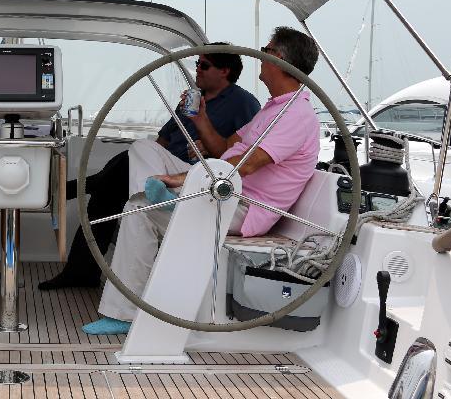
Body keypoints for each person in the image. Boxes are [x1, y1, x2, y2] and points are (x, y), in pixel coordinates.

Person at [84, 27, 321, 334]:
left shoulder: (296, 114)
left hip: (242, 206)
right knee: (142, 150)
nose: (260, 54)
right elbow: (226, 151)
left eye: (266, 48)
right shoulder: (274, 108)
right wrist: (200, 120)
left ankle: (124, 313)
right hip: (223, 189)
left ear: (278, 59)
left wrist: (178, 179)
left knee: (137, 211)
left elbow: (245, 166)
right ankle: (159, 199)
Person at [39, 43, 260, 290]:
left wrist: (206, 142)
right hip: (161, 168)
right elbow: (163, 139)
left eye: (204, 65)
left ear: (225, 71)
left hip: (192, 177)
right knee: (118, 172)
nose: (197, 69)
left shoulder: (244, 104)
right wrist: (151, 160)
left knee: (108, 186)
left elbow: (238, 158)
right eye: (197, 63)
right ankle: (80, 251)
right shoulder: (191, 99)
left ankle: (64, 198)